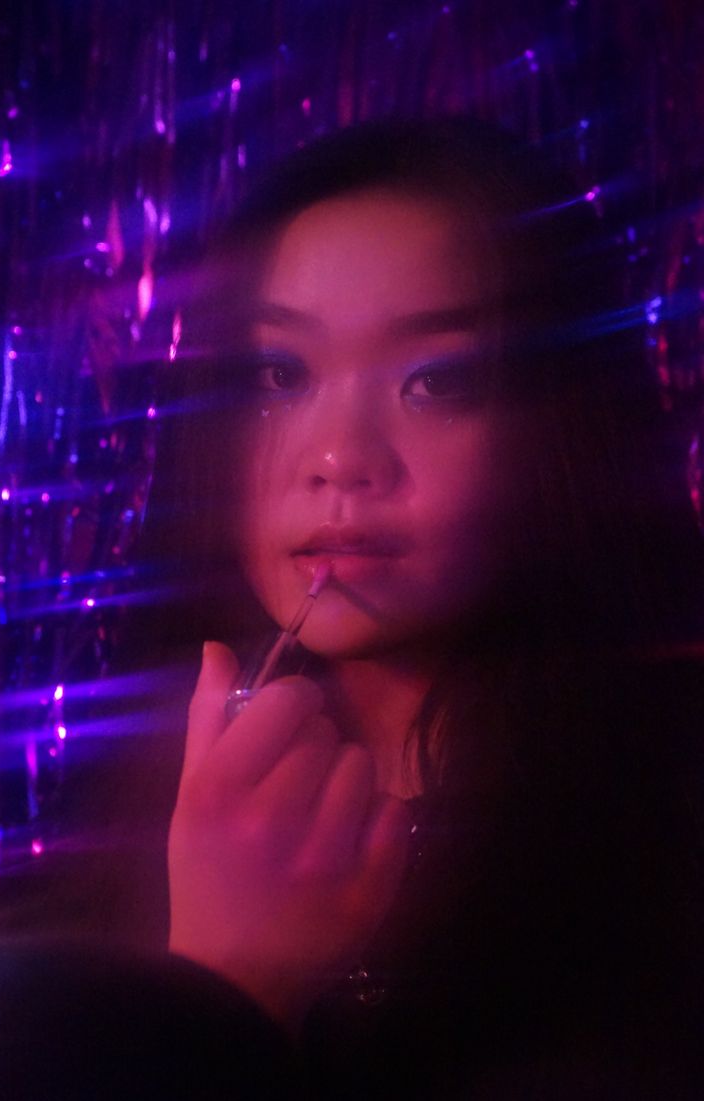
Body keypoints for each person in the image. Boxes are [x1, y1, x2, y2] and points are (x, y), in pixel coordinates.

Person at [162, 117, 704, 1096]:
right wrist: (216, 977)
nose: (339, 459)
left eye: (436, 380)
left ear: (555, 423)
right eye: (280, 375)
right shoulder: (120, 823)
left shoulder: (660, 840)